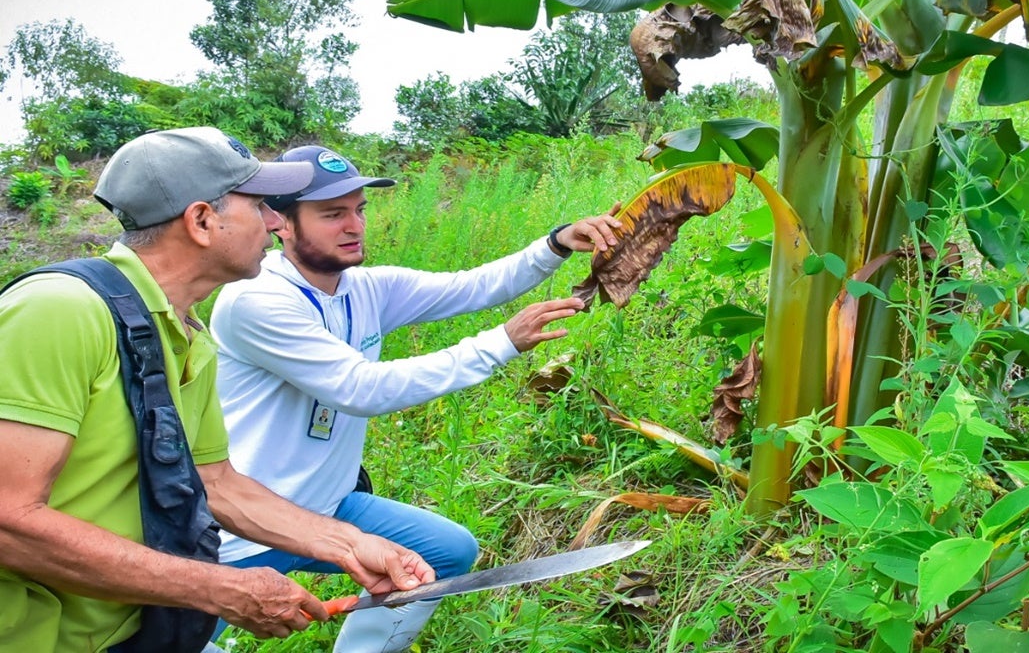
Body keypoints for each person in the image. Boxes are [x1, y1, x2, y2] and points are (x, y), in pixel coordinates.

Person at [0, 127, 436, 653]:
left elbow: (217, 484)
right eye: (260, 207)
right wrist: (220, 588)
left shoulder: (182, 332)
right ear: (203, 221)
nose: (277, 224)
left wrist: (351, 545)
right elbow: (8, 520)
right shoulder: (62, 310)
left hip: (141, 626)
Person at [209, 144, 620, 652]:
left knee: (446, 553)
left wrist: (556, 244)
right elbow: (359, 388)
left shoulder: (364, 289)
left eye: (359, 210)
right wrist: (501, 343)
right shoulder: (258, 300)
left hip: (330, 506)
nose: (354, 226)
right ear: (282, 223)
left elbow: (472, 287)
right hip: (243, 527)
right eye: (332, 214)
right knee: (176, 639)